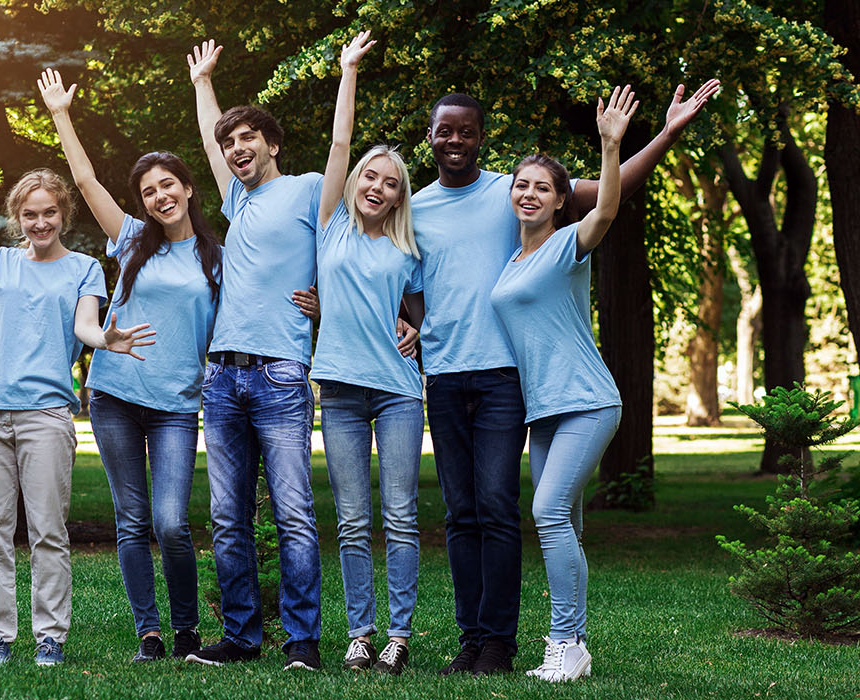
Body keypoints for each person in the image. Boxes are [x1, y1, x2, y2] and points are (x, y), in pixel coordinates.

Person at [410, 77, 720, 676]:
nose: (454, 139)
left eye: (466, 131)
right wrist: (409, 324)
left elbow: (610, 198)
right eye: (444, 130)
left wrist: (656, 134)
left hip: (532, 389)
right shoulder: (433, 214)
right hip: (493, 391)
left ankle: (529, 644)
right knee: (486, 516)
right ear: (430, 136)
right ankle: (491, 641)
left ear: (481, 139)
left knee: (525, 511)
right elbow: (406, 276)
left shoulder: (538, 217)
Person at [182, 38, 408, 672]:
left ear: (272, 145)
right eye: (231, 144)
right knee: (227, 518)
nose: (236, 149)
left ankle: (302, 641)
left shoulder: (312, 192)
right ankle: (242, 637)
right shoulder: (237, 199)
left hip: (280, 372)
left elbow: (343, 148)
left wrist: (347, 72)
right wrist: (204, 84)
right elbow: (207, 140)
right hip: (221, 375)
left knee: (294, 515)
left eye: (248, 138)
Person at [37, 69, 221, 663]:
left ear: (189, 188)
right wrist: (62, 114)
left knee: (171, 522)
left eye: (169, 185)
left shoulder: (218, 257)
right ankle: (149, 631)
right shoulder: (132, 240)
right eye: (148, 191)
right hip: (115, 395)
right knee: (132, 519)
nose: (160, 196)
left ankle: (188, 629)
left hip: (177, 403)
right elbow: (86, 181)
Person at [0, 168, 154, 667]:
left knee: (47, 531)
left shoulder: (83, 267)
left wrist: (105, 338)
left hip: (46, 414)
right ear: (18, 218)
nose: (40, 223)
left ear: (64, 214)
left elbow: (85, 324)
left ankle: (50, 637)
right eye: (30, 215)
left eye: (49, 213)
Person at [490, 86, 636, 682]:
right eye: (522, 184)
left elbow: (605, 211)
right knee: (566, 523)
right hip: (544, 410)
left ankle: (566, 643)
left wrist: (609, 146)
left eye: (542, 188)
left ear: (558, 202)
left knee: (547, 511)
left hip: (588, 401)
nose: (529, 193)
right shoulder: (511, 262)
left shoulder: (565, 247)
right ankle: (572, 642)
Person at [307, 31, 425, 676]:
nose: (378, 186)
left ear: (402, 197)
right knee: (354, 520)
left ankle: (398, 636)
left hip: (401, 391)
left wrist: (415, 333)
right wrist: (348, 71)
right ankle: (360, 632)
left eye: (391, 183)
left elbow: (430, 319)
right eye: (371, 177)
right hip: (342, 393)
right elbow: (339, 143)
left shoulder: (408, 249)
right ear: (356, 183)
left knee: (401, 517)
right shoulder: (330, 225)